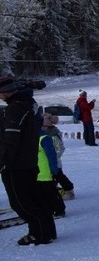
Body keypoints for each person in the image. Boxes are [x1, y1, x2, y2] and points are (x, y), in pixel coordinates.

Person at [0, 76, 57, 245]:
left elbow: (11, 138)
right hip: (27, 161)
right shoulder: (25, 104)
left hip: (17, 164)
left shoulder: (15, 108)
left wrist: (3, 161)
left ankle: (39, 234)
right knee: (33, 198)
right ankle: (47, 231)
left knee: (21, 203)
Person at [41, 112, 74, 199]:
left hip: (55, 160)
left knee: (59, 175)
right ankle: (53, 191)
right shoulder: (44, 134)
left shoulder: (53, 135)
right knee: (50, 176)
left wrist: (55, 156)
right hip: (46, 160)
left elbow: (61, 148)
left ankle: (69, 189)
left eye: (44, 126)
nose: (43, 128)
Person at [36, 123, 65, 219]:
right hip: (36, 172)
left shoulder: (44, 138)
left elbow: (52, 155)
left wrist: (53, 169)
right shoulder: (30, 138)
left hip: (46, 172)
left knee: (51, 192)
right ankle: (48, 208)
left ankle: (59, 210)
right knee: (42, 192)